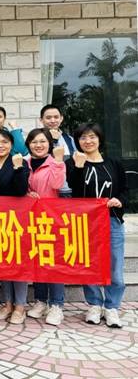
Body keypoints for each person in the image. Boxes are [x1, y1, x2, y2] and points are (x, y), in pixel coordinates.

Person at [67, 123, 127, 328]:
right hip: (85, 223)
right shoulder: (73, 162)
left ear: (99, 139)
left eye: (92, 136)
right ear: (78, 141)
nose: (88, 141)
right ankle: (94, 304)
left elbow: (124, 190)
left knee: (115, 266)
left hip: (112, 220)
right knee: (89, 263)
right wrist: (78, 167)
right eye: (83, 138)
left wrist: (119, 201)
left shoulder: (113, 163)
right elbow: (74, 190)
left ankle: (112, 307)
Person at [0, 129, 31, 325]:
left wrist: (19, 168)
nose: (0, 145)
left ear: (11, 144)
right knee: (3, 263)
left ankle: (20, 306)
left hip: (16, 221)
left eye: (4, 142)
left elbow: (21, 191)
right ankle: (8, 303)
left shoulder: (19, 162)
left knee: (17, 263)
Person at [23, 128, 67, 326]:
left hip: (52, 220)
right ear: (28, 145)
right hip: (31, 221)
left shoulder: (54, 162)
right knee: (37, 262)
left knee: (53, 263)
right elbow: (21, 187)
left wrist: (58, 162)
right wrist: (26, 194)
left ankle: (56, 305)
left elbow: (57, 184)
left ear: (50, 143)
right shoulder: (25, 163)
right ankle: (40, 300)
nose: (38, 145)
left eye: (42, 141)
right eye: (34, 142)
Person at [40, 104, 75, 197]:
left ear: (61, 118)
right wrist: (53, 141)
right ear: (41, 120)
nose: (53, 120)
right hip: (46, 191)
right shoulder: (36, 139)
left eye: (56, 117)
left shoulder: (69, 139)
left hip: (68, 190)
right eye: (48, 118)